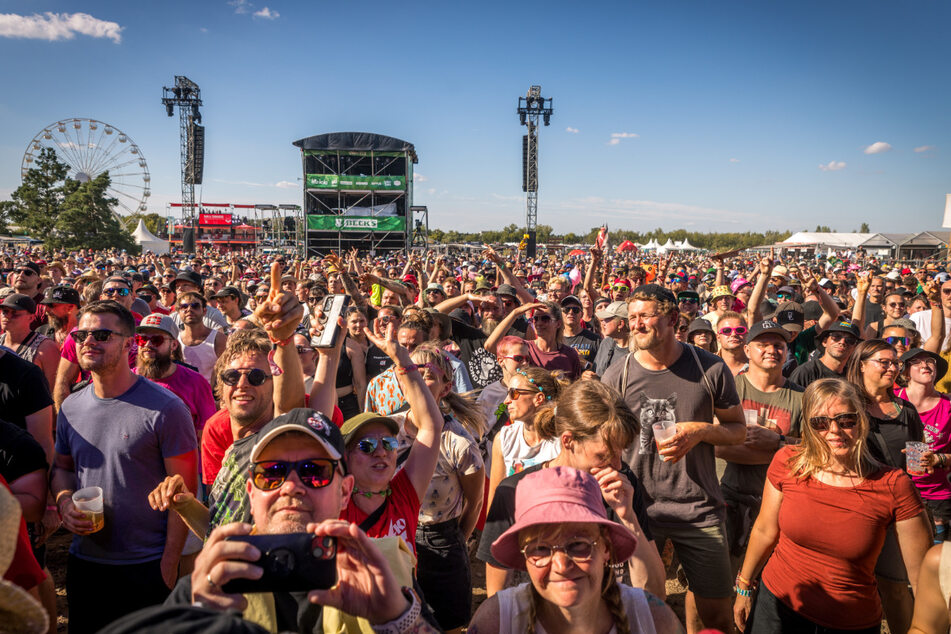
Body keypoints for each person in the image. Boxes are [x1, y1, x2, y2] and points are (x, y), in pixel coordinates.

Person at [163, 408, 440, 633]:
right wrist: (197, 621)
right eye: (272, 473)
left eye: (314, 471)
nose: (290, 486)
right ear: (252, 492)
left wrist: (397, 620)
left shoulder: (384, 572)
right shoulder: (212, 582)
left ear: (344, 491)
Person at [734, 378, 931, 634]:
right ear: (809, 426)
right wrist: (744, 586)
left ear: (862, 421)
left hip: (849, 622)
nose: (834, 430)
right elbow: (764, 529)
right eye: (820, 423)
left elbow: (922, 581)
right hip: (775, 607)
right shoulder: (788, 461)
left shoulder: (893, 485)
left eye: (846, 420)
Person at [602, 283, 745, 633]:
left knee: (718, 618)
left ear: (672, 318)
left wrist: (700, 431)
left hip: (698, 510)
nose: (635, 324)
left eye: (645, 316)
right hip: (637, 511)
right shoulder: (617, 374)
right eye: (631, 317)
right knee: (637, 614)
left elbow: (737, 430)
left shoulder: (709, 368)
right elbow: (602, 440)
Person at [50, 300, 198, 633]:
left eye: (101, 334)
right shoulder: (72, 406)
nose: (88, 341)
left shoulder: (167, 409)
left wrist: (169, 564)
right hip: (86, 561)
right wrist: (63, 501)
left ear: (129, 344)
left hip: (146, 564)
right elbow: (62, 467)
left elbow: (184, 494)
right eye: (81, 334)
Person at [479, 379, 666, 601]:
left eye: (620, 453)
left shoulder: (621, 487)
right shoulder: (514, 492)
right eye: (603, 456)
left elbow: (655, 593)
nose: (617, 465)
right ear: (568, 441)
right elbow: (498, 598)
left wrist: (629, 518)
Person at [469, 466, 681, 634]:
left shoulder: (653, 620)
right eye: (541, 549)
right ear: (524, 557)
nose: (561, 566)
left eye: (578, 545)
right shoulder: (496, 622)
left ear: (606, 547)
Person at [393, 343, 486, 632]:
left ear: (446, 388)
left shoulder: (459, 443)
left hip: (441, 543)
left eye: (427, 374)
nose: (418, 379)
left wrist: (457, 539)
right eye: (412, 371)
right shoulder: (385, 430)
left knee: (448, 625)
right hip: (394, 539)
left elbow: (475, 501)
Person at [340, 325, 444, 550]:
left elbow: (431, 426)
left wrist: (403, 360)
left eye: (389, 443)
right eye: (366, 446)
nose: (381, 452)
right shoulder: (333, 505)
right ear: (345, 456)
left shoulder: (404, 494)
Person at [715, 321, 804, 565]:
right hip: (727, 496)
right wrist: (784, 451)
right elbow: (718, 446)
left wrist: (778, 441)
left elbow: (813, 450)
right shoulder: (729, 387)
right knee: (718, 581)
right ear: (747, 350)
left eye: (778, 345)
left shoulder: (802, 396)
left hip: (780, 503)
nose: (771, 350)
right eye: (762, 344)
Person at [488, 366, 567, 511]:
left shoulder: (563, 440)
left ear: (538, 398)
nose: (506, 401)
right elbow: (495, 501)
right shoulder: (504, 438)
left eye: (513, 393)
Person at [133, 313, 216, 441]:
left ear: (174, 345)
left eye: (156, 340)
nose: (147, 345)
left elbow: (205, 434)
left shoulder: (195, 382)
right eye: (142, 339)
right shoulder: (128, 379)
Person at [898, 347, 951, 544]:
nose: (925, 365)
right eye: (916, 362)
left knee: (940, 563)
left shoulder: (948, 405)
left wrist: (939, 458)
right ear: (905, 372)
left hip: (938, 496)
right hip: (900, 493)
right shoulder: (891, 401)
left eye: (930, 361)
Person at [486, 301, 585, 380]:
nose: (539, 323)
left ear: (558, 324)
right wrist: (515, 313)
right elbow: (490, 346)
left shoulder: (570, 354)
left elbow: (574, 389)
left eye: (545, 319)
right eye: (536, 319)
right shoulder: (525, 348)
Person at [0, 293, 58, 389]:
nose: (7, 316)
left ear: (31, 318)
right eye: (5, 312)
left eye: (15, 313)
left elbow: (53, 388)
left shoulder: (45, 348)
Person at [788, 318, 861, 388]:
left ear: (855, 347)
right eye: (836, 337)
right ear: (825, 342)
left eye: (850, 340)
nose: (842, 342)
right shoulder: (805, 372)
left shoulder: (853, 377)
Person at [175, 291, 227, 385]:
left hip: (209, 396)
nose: (189, 309)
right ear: (178, 312)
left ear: (204, 311)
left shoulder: (218, 339)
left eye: (195, 306)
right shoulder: (175, 340)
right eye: (184, 306)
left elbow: (226, 373)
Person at [560, 295, 600, 368]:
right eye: (566, 309)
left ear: (582, 314)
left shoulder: (595, 340)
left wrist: (583, 362)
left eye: (575, 310)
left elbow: (601, 371)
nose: (571, 312)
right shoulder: (555, 339)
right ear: (561, 313)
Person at [593, 300, 630, 376]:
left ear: (620, 324)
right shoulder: (605, 343)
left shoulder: (637, 352)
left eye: (607, 318)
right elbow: (595, 371)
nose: (603, 322)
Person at [715, 311, 749, 376]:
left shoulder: (758, 364)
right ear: (718, 337)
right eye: (726, 331)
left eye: (740, 330)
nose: (733, 334)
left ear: (747, 335)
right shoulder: (707, 364)